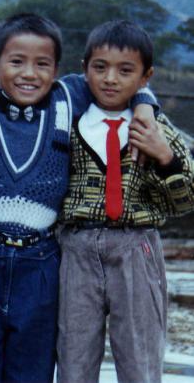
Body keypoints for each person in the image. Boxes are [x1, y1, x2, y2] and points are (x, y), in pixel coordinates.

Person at [0, 13, 158, 383]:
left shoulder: (67, 98)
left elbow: (127, 79)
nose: (29, 74)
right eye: (16, 62)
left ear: (58, 70)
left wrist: (146, 103)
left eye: (42, 64)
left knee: (33, 367)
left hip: (41, 261)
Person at [56, 20, 194, 383]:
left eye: (125, 70)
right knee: (73, 355)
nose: (111, 79)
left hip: (136, 247)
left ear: (145, 77)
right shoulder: (67, 123)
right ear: (84, 68)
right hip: (76, 247)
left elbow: (186, 201)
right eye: (100, 67)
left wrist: (166, 159)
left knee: (140, 358)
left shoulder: (157, 129)